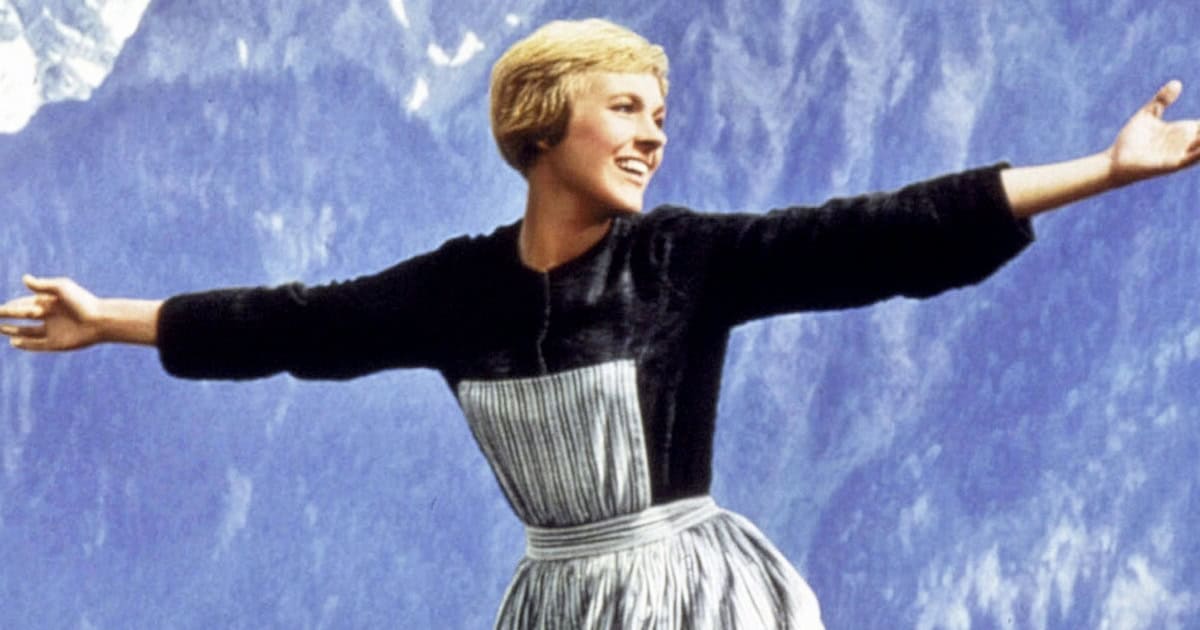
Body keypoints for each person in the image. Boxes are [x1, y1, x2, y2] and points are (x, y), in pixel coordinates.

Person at [2, 17, 1199, 630]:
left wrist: (1102, 170)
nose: (652, 133)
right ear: (541, 123)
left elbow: (877, 234)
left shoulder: (683, 260)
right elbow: (297, 325)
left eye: (659, 115)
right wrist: (110, 320)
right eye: (625, 107)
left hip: (691, 599)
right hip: (558, 605)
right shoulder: (458, 292)